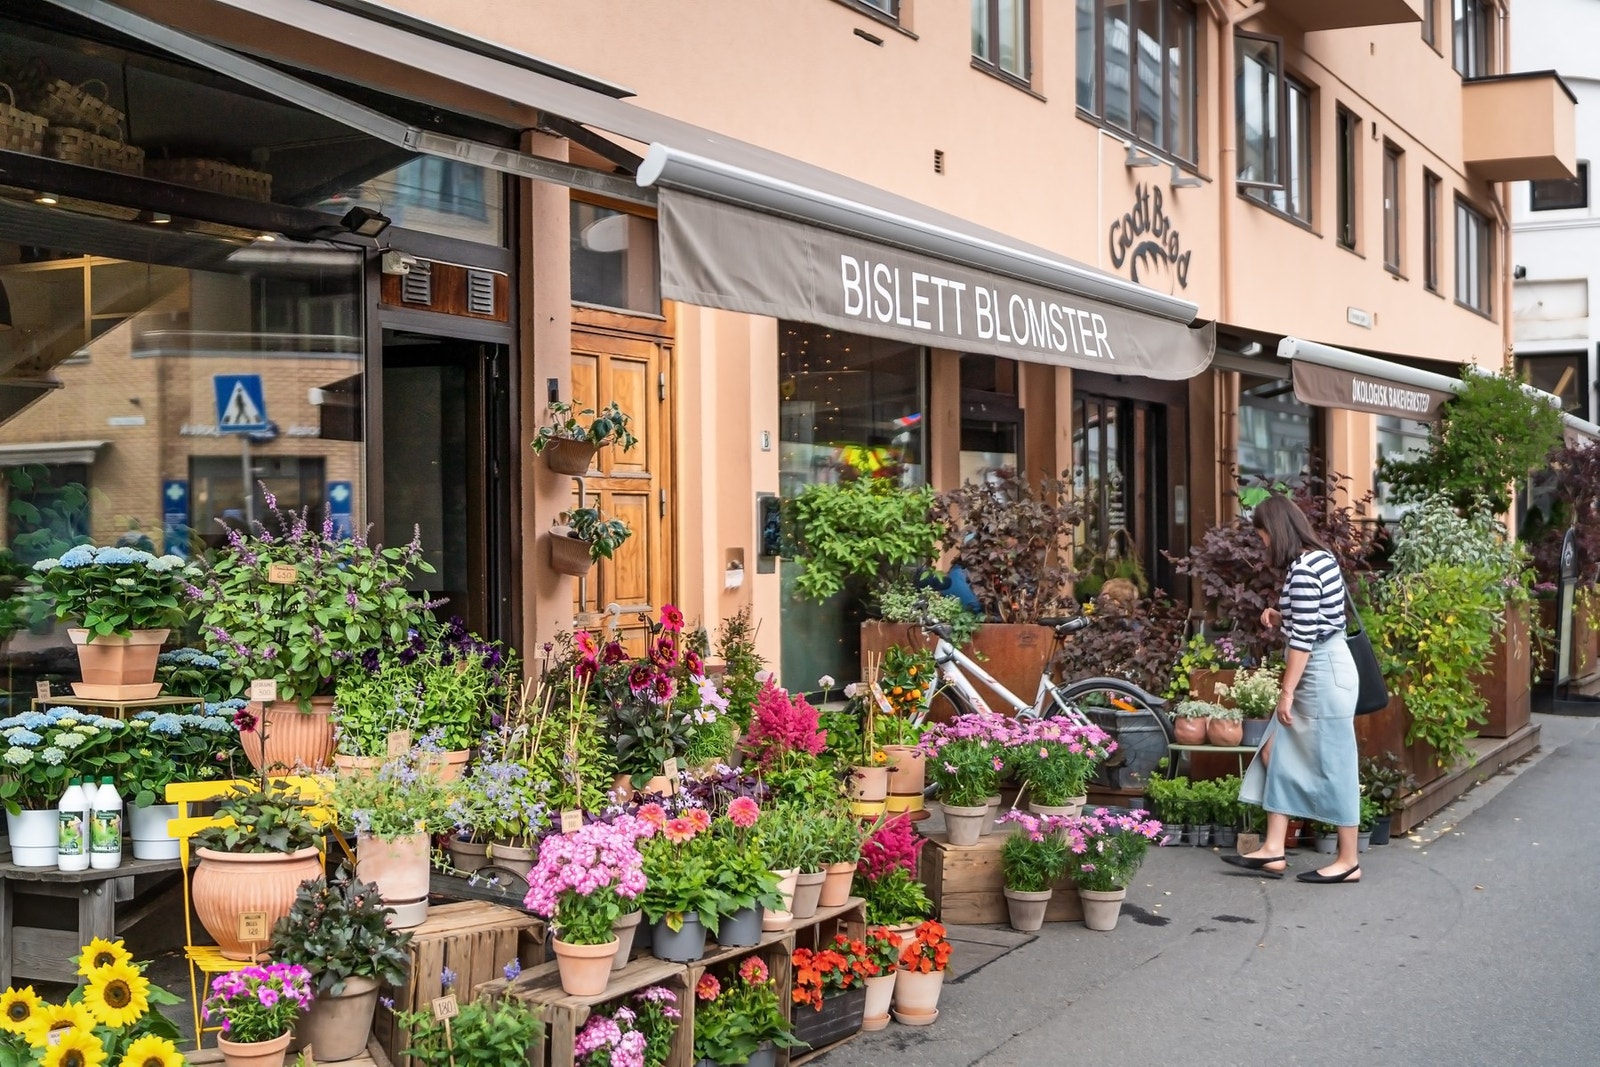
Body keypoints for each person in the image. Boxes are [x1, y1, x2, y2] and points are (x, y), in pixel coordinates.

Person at [1221, 493, 1362, 884]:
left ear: (1277, 530)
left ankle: (1348, 859)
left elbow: (1304, 638)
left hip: (1320, 672)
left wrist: (1286, 692)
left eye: (1262, 533)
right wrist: (1280, 614)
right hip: (1325, 668)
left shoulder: (1302, 569)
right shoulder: (1320, 558)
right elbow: (1316, 617)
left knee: (1336, 763)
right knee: (1273, 746)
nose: (1262, 542)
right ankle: (1273, 848)